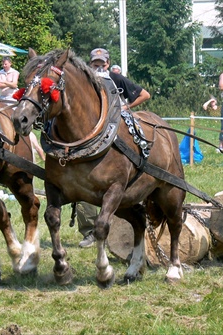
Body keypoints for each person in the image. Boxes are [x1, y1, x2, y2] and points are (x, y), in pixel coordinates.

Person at [76, 48, 151, 248]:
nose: (99, 66)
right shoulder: (85, 81)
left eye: (102, 63)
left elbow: (145, 95)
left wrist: (125, 107)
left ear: (108, 63)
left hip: (116, 129)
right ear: (90, 64)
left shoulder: (116, 79)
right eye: (95, 63)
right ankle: (89, 231)